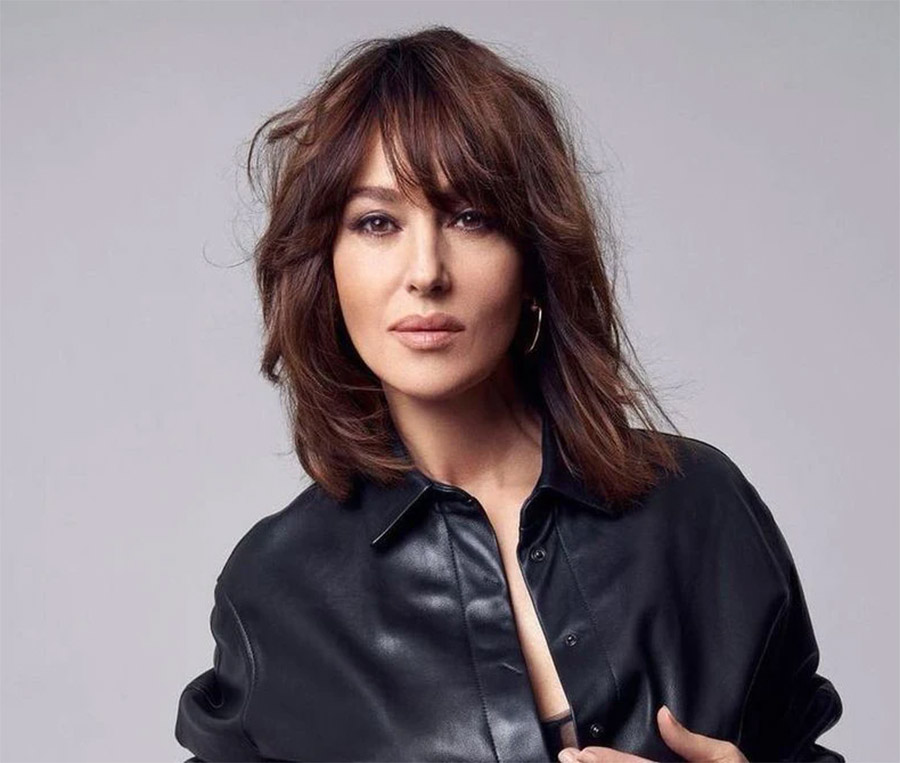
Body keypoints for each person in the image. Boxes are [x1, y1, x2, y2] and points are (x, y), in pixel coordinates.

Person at [174, 26, 844, 763]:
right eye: (377, 222)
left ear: (533, 257)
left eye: (470, 217)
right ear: (323, 268)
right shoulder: (277, 590)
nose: (426, 272)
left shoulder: (700, 507)